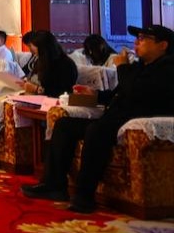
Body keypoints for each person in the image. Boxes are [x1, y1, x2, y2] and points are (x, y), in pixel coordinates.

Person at [23, 24, 174, 213]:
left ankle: (84, 196)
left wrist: (122, 67)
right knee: (64, 125)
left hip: (136, 122)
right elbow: (118, 94)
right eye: (137, 38)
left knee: (96, 131)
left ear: (163, 45)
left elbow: (136, 93)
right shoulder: (139, 66)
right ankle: (54, 185)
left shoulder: (167, 68)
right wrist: (95, 95)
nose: (137, 42)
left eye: (143, 39)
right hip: (115, 119)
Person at [0, 30, 77, 170]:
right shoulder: (39, 61)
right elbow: (30, 80)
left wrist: (37, 89)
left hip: (40, 103)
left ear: (43, 46)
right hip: (24, 97)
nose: (30, 50)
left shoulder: (64, 64)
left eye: (32, 46)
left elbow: (61, 93)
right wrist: (24, 84)